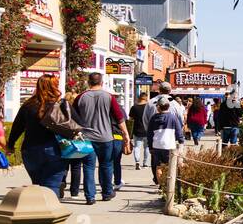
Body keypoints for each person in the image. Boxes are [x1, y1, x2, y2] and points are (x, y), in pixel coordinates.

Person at [8, 74, 81, 194]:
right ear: (54, 86)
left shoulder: (28, 105)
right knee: (52, 187)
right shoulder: (61, 105)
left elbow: (17, 128)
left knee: (37, 186)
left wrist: (10, 145)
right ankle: (50, 210)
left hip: (30, 151)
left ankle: (39, 209)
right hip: (55, 149)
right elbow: (78, 123)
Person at [72, 72, 131, 202]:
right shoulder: (109, 97)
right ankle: (107, 192)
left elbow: (73, 117)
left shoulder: (81, 97)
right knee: (106, 165)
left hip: (86, 138)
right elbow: (119, 117)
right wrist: (125, 134)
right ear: (102, 82)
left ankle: (90, 196)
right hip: (105, 137)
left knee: (88, 167)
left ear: (88, 82)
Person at [146, 96, 184, 185]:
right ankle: (168, 185)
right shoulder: (173, 118)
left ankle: (161, 185)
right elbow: (179, 132)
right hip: (169, 146)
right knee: (169, 166)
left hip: (156, 146)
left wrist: (150, 146)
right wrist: (181, 141)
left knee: (158, 167)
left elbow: (149, 134)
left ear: (158, 106)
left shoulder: (153, 118)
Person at [129, 94, 149, 169]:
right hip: (147, 130)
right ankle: (145, 163)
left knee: (137, 147)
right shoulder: (148, 107)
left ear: (139, 98)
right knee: (146, 147)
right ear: (146, 98)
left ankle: (137, 162)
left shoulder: (134, 108)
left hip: (137, 130)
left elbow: (130, 119)